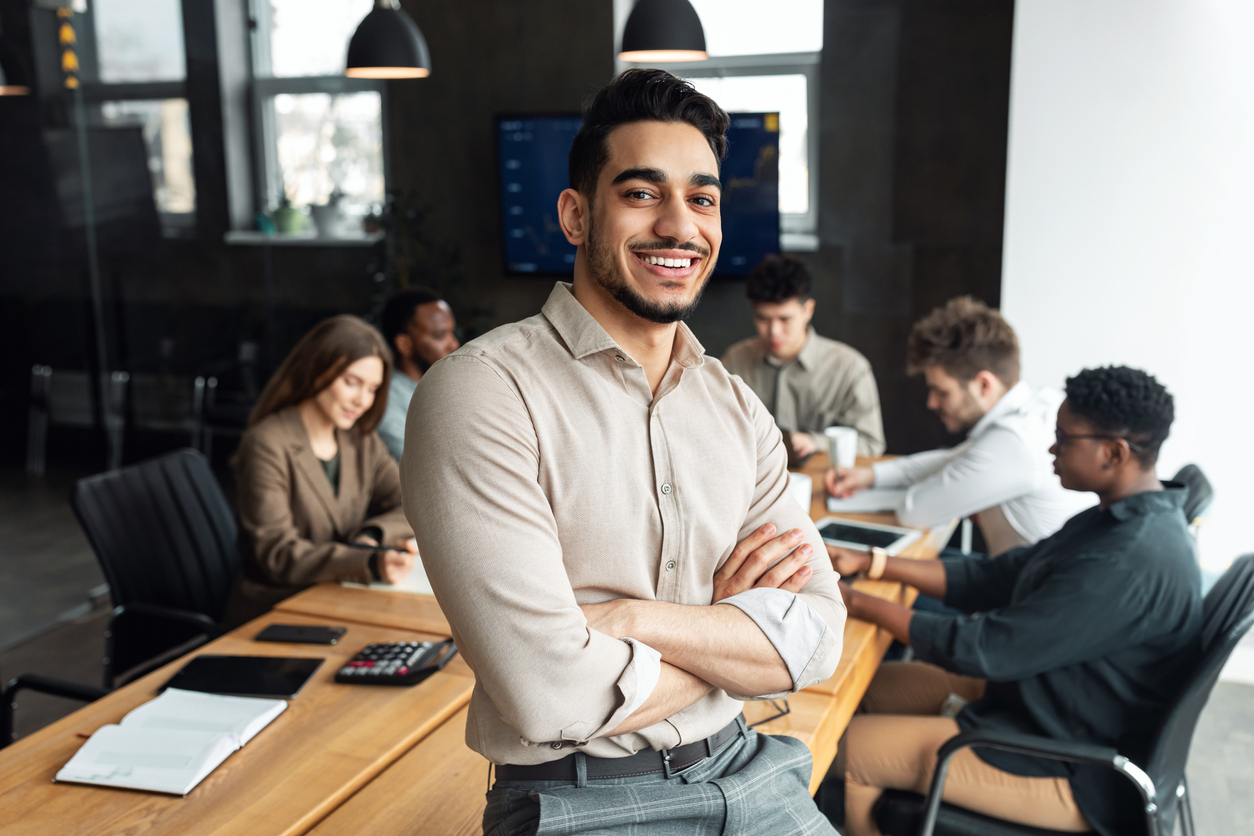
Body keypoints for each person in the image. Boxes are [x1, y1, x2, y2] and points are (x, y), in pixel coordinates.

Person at [405, 69, 845, 836]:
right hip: (583, 803)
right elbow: (549, 693)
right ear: (575, 215)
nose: (679, 226)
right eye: (642, 193)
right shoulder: (481, 393)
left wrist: (626, 620)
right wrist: (724, 627)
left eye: (701, 198)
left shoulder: (737, 408)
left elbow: (814, 641)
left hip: (751, 768)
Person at [828, 366, 1200, 836]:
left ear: (1114, 452)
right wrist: (875, 563)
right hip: (1042, 702)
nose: (1051, 448)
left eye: (1064, 439)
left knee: (845, 751)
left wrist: (857, 604)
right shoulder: (1122, 518)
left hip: (1071, 763)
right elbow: (1002, 574)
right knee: (859, 689)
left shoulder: (1127, 560)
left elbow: (984, 649)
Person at [825, 296, 1092, 557]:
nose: (931, 402)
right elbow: (957, 458)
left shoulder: (1014, 442)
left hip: (1021, 597)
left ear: (984, 385)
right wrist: (871, 476)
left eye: (941, 392)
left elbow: (915, 512)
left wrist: (919, 492)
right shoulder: (1037, 406)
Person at [223, 314, 416, 626]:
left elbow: (411, 501)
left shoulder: (359, 439)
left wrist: (371, 536)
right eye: (352, 382)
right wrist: (367, 561)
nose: (362, 400)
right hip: (276, 610)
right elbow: (278, 553)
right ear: (316, 370)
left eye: (372, 389)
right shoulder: (268, 442)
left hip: (342, 597)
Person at [722, 254, 885, 460]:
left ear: (808, 310)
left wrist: (815, 442)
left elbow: (871, 444)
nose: (774, 332)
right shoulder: (734, 361)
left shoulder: (850, 368)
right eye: (763, 318)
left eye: (785, 319)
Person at [377, 288, 460, 461]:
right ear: (404, 344)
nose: (453, 343)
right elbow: (422, 464)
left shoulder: (452, 386)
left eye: (452, 332)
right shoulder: (387, 401)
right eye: (439, 335)